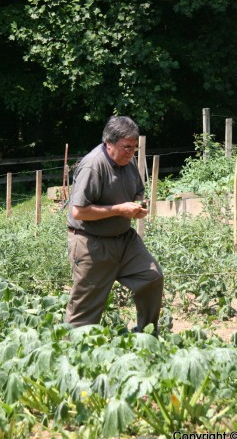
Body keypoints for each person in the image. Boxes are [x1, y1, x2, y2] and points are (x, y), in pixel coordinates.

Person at [65, 116, 164, 334]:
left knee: (152, 277)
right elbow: (78, 211)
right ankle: (73, 355)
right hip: (92, 241)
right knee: (85, 311)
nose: (131, 153)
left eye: (134, 148)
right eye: (126, 147)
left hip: (125, 239)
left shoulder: (128, 164)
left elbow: (138, 191)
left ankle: (146, 337)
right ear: (109, 143)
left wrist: (138, 206)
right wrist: (120, 209)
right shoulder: (93, 166)